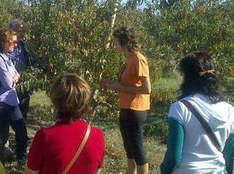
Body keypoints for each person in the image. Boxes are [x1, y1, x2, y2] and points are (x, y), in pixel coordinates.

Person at [160, 52, 234, 174]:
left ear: (188, 78)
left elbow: (174, 155)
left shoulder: (180, 108)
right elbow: (229, 155)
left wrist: (165, 171)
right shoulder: (229, 110)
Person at [26, 73, 105, 174]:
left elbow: (31, 172)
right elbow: (96, 170)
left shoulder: (45, 136)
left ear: (55, 100)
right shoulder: (97, 135)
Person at [99, 26, 151, 174]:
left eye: (115, 41)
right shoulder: (129, 59)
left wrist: (119, 87)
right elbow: (127, 84)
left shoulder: (138, 59)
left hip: (136, 109)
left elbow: (146, 89)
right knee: (129, 147)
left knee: (137, 148)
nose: (114, 45)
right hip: (125, 107)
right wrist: (111, 84)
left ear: (124, 41)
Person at [0, 29, 28, 165]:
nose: (16, 45)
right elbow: (9, 82)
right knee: (2, 135)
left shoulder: (7, 59)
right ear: (5, 42)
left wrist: (14, 78)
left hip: (11, 101)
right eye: (14, 42)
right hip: (0, 103)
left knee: (21, 129)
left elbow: (17, 76)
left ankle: (21, 158)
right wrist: (14, 78)